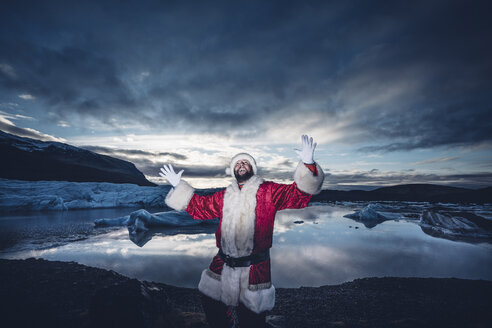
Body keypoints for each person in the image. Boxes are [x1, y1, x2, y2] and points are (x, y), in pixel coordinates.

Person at [159, 135, 324, 328]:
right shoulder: (224, 195)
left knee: (252, 317)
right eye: (238, 163)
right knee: (210, 300)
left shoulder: (268, 191)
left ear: (252, 169)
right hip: (223, 261)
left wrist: (308, 165)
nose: (241, 164)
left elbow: (298, 195)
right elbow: (201, 207)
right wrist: (179, 187)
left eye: (246, 162)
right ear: (233, 170)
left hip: (255, 267)